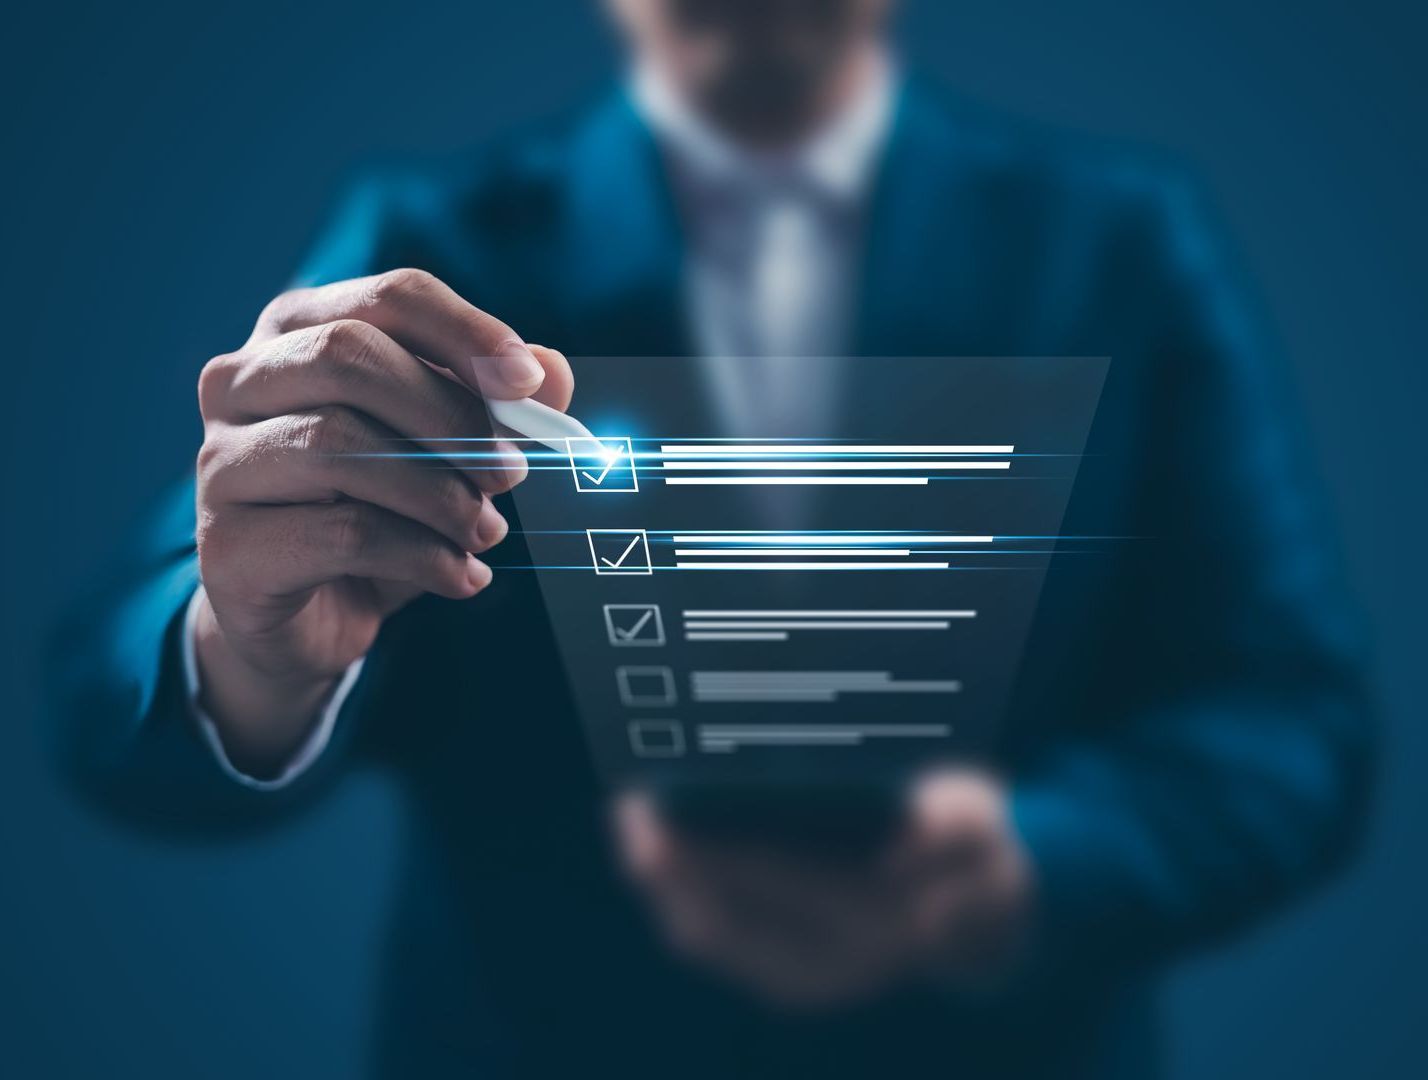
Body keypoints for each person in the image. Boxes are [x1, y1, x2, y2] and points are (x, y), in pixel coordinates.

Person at [50, 0, 1374, 1076]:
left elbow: (1295, 713)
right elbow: (109, 696)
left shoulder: (1118, 245)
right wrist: (255, 647)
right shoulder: (433, 245)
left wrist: (1035, 860)